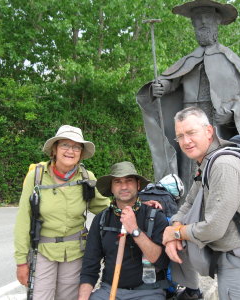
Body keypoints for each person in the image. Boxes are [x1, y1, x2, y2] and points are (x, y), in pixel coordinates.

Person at [136, 0, 240, 197]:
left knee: (217, 164)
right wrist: (161, 87)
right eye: (197, 20)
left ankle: (219, 202)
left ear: (216, 23)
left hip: (214, 124)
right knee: (189, 167)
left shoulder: (230, 61)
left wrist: (230, 115)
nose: (202, 23)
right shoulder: (189, 60)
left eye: (207, 19)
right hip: (188, 121)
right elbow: (173, 81)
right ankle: (186, 203)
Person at [162, 107, 240, 300]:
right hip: (228, 256)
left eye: (191, 133)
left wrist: (176, 233)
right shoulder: (208, 162)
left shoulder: (223, 165)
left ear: (209, 131)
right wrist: (175, 225)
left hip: (239, 260)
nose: (186, 141)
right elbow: (190, 202)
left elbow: (213, 228)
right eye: (180, 136)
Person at [14, 125, 110, 300]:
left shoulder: (86, 178)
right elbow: (23, 219)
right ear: (55, 149)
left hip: (75, 251)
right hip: (43, 250)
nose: (70, 151)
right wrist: (21, 261)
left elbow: (106, 208)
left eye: (76, 147)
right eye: (65, 145)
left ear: (81, 153)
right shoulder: (36, 176)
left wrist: (137, 206)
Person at [78, 161, 170, 300]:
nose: (124, 186)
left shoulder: (155, 216)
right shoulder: (101, 220)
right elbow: (90, 267)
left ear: (138, 185)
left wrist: (134, 230)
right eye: (118, 182)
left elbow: (161, 261)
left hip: (149, 291)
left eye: (129, 181)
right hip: (109, 291)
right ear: (112, 188)